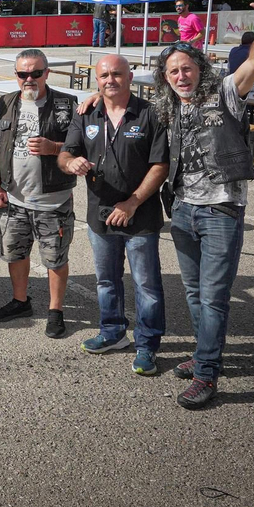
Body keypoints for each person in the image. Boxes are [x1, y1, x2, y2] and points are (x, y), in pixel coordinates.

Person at [157, 0, 254, 410]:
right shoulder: (168, 107)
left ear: (200, 69)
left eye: (187, 68)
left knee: (213, 295)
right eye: (173, 70)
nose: (181, 75)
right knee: (194, 293)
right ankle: (204, 353)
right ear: (166, 77)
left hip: (221, 210)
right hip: (181, 209)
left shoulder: (226, 92)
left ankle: (207, 373)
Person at [59, 55, 167, 375]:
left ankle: (147, 345)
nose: (110, 80)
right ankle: (112, 332)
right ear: (97, 79)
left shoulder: (150, 114)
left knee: (146, 285)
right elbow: (67, 152)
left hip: (140, 215)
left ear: (130, 76)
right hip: (99, 214)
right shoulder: (87, 114)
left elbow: (160, 165)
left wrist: (132, 203)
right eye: (104, 75)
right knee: (106, 280)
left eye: (117, 74)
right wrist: (70, 164)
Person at [0, 49, 79, 338]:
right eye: (22, 74)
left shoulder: (68, 104)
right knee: (15, 254)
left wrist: (54, 148)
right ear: (15, 75)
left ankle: (56, 310)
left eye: (35, 73)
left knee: (54, 259)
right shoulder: (5, 103)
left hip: (54, 200)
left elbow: (83, 145)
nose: (29, 79)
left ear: (46, 73)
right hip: (14, 198)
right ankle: (20, 301)